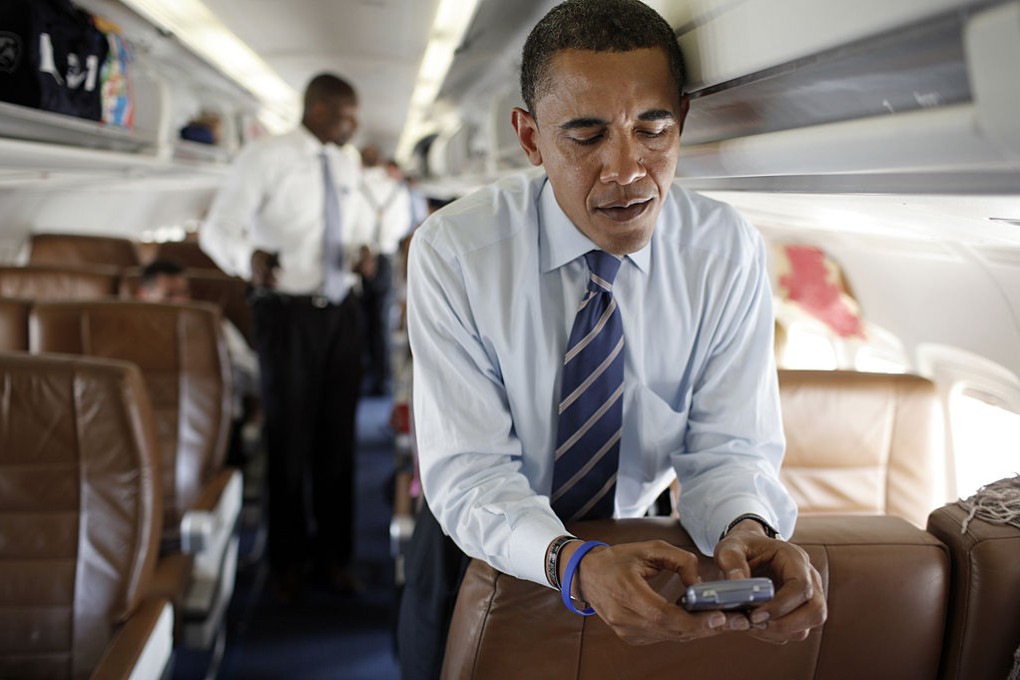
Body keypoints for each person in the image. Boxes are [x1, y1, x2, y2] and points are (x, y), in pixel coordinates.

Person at [399, 0, 826, 676]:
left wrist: (749, 528)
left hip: (642, 533)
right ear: (531, 138)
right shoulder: (456, 251)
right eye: (586, 135)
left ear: (682, 118)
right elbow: (473, 471)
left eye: (652, 128)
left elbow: (726, 450)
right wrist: (573, 563)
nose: (626, 169)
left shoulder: (724, 250)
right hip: (477, 540)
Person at [199, 72, 374, 600]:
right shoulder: (265, 157)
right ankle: (285, 563)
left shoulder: (348, 161)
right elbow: (217, 230)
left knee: (337, 440)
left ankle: (335, 558)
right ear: (318, 110)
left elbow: (357, 223)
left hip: (341, 313)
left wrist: (364, 250)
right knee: (289, 439)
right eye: (346, 116)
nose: (354, 126)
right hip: (286, 314)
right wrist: (245, 259)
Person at [359, 145, 413, 395]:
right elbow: (403, 225)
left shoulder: (357, 186)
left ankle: (363, 374)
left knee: (359, 319)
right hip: (385, 257)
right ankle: (383, 380)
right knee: (381, 319)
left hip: (359, 257)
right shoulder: (395, 189)